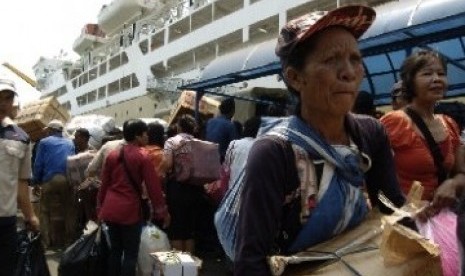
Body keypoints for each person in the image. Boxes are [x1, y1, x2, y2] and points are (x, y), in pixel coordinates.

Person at [234, 6, 406, 274]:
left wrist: (420, 220)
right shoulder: (274, 152)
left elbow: (389, 206)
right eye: (331, 60)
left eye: (355, 58)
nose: (349, 72)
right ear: (295, 77)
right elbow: (252, 260)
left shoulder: (371, 134)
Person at [380, 50, 465, 215]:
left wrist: (453, 184)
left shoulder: (449, 124)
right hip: (405, 222)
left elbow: (461, 172)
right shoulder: (393, 122)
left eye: (441, 73)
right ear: (410, 83)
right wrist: (405, 204)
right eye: (427, 74)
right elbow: (372, 177)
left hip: (442, 218)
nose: (436, 79)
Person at [97, 119, 170, 276]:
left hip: (110, 209)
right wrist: (162, 212)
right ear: (138, 136)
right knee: (130, 254)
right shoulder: (143, 156)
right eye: (145, 134)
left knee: (115, 251)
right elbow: (154, 188)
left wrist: (100, 208)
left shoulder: (112, 155)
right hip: (129, 211)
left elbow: (104, 185)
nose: (147, 137)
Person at [0, 79, 39, 276]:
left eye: (8, 98)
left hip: (5, 220)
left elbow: (22, 182)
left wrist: (30, 215)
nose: (3, 103)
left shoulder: (21, 137)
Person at [160, 114, 205, 254]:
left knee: (176, 229)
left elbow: (167, 164)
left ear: (179, 127)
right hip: (196, 189)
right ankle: (189, 268)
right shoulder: (200, 143)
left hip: (177, 190)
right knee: (190, 231)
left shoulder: (172, 142)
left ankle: (178, 268)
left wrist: (160, 172)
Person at [34, 119, 75, 247]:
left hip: (49, 179)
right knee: (69, 210)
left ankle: (45, 242)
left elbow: (38, 163)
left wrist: (36, 181)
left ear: (51, 130)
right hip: (66, 179)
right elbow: (73, 163)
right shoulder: (70, 143)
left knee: (44, 211)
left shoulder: (44, 142)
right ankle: (69, 241)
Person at [205, 97, 238, 162]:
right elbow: (235, 147)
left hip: (207, 157)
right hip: (220, 161)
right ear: (232, 111)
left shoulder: (210, 121)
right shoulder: (230, 126)